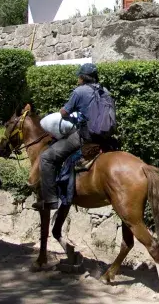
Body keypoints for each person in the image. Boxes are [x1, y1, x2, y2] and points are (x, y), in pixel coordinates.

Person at [35, 63, 115, 211]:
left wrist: (65, 110)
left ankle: (51, 200)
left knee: (47, 157)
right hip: (106, 137)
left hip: (86, 137)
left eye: (79, 76)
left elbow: (64, 113)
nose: (78, 79)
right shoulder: (105, 91)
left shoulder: (80, 91)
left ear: (82, 77)